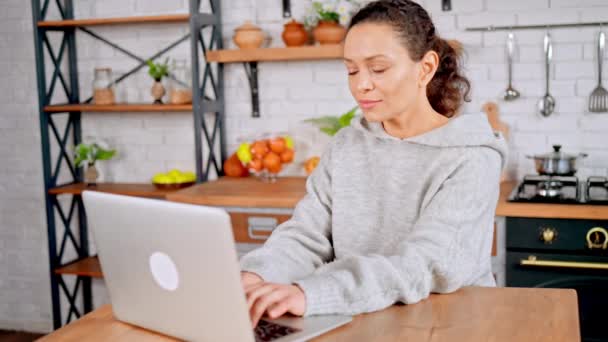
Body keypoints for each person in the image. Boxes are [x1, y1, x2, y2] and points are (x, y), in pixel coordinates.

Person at [239, 0, 507, 328]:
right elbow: (306, 235)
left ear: (425, 68)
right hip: (360, 321)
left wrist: (311, 295)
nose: (360, 84)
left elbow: (425, 263)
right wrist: (256, 275)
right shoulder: (345, 147)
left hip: (448, 327)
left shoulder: (472, 157)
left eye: (377, 68)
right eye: (351, 70)